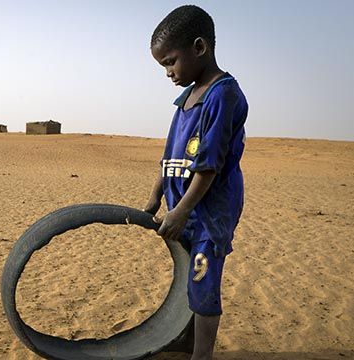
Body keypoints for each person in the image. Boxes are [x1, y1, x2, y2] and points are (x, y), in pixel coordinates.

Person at [143, 5, 248, 360]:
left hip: (208, 211)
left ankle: (201, 355)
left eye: (171, 62)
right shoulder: (185, 99)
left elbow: (209, 165)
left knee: (203, 281)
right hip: (182, 210)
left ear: (199, 48)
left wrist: (183, 210)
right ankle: (186, 342)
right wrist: (157, 196)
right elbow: (170, 152)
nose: (169, 72)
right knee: (189, 274)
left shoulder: (223, 95)